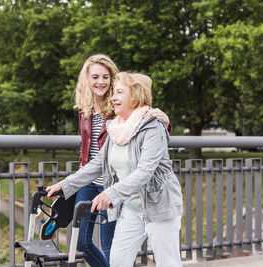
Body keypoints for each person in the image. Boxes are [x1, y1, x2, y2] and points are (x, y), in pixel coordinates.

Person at [47, 71, 183, 267]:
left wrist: (110, 194)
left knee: (167, 263)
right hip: (131, 207)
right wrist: (65, 185)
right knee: (118, 262)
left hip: (158, 205)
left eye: (119, 92)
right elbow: (97, 164)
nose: (113, 97)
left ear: (135, 95)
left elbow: (145, 171)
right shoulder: (116, 128)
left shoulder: (152, 126)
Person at [70, 54, 172, 267]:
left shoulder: (120, 106)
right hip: (90, 181)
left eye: (106, 77)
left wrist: (162, 117)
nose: (100, 82)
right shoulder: (84, 109)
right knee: (81, 243)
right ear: (86, 80)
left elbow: (146, 120)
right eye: (95, 77)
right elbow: (88, 148)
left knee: (112, 248)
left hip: (113, 183)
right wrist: (68, 184)